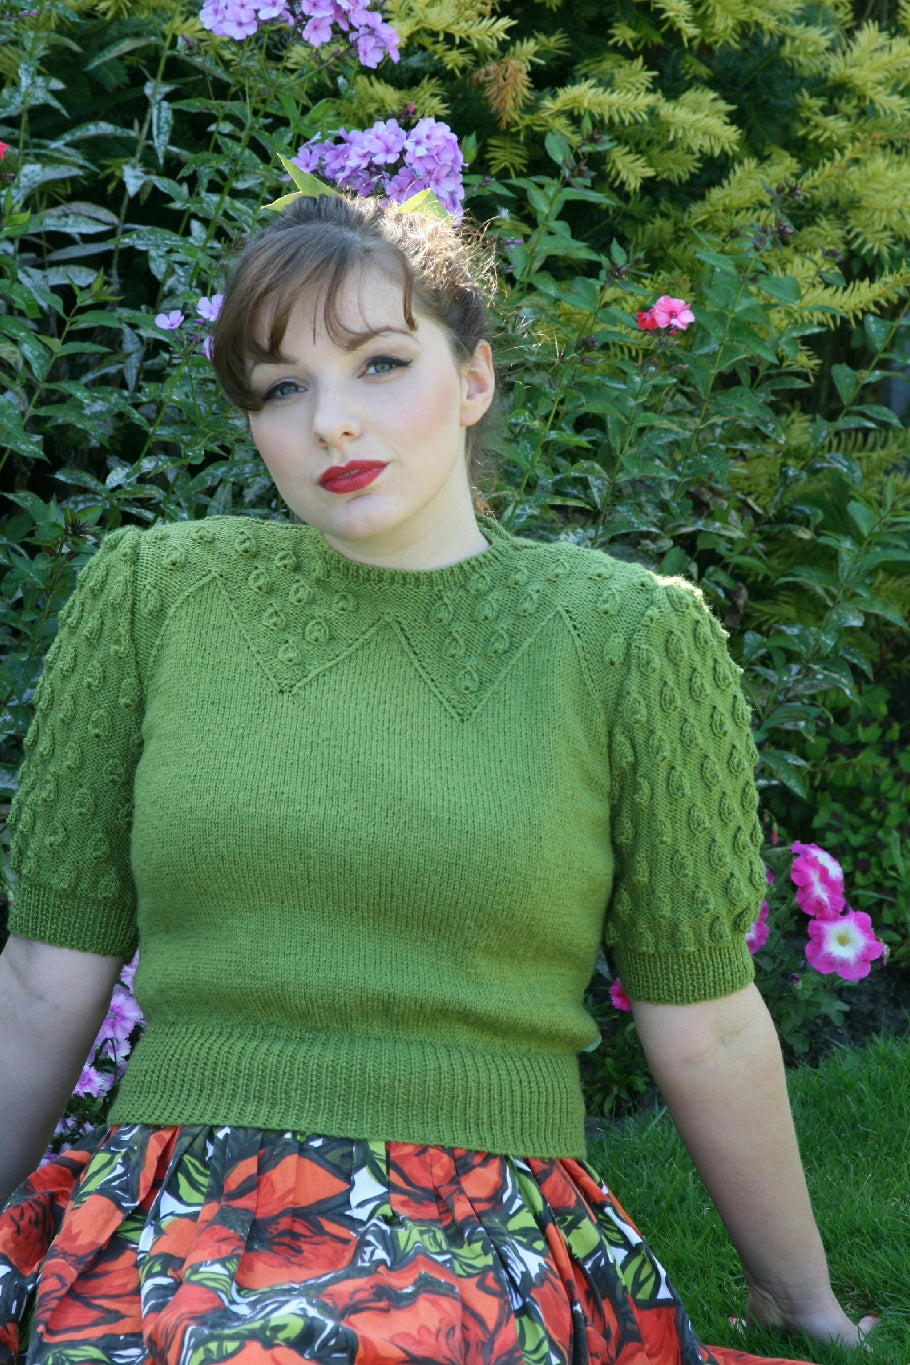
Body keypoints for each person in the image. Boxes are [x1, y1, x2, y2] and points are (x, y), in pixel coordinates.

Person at [0, 190, 875, 1365]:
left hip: (473, 1221)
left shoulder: (629, 639)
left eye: (379, 364)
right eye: (281, 388)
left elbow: (707, 1022)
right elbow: (44, 980)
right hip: (171, 1205)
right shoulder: (152, 597)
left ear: (472, 381)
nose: (330, 425)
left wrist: (798, 1297)